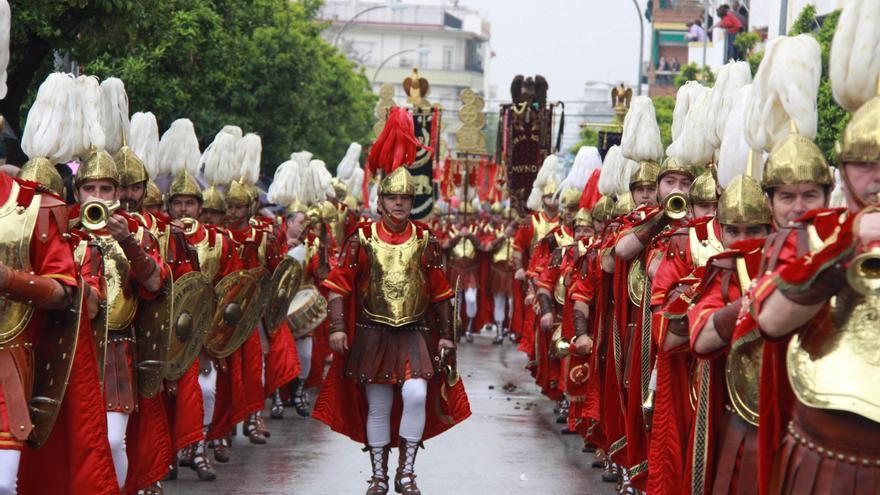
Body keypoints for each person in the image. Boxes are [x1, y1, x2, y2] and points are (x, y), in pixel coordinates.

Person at [314, 107, 470, 495]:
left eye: (405, 198)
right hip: (371, 333)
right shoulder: (362, 238)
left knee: (416, 393)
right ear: (381, 201)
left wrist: (447, 336)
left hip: (415, 332)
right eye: (393, 197)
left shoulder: (425, 239)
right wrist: (336, 328)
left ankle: (407, 471)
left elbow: (441, 291)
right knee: (379, 404)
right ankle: (380, 475)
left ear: (412, 201)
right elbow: (339, 286)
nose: (399, 203)